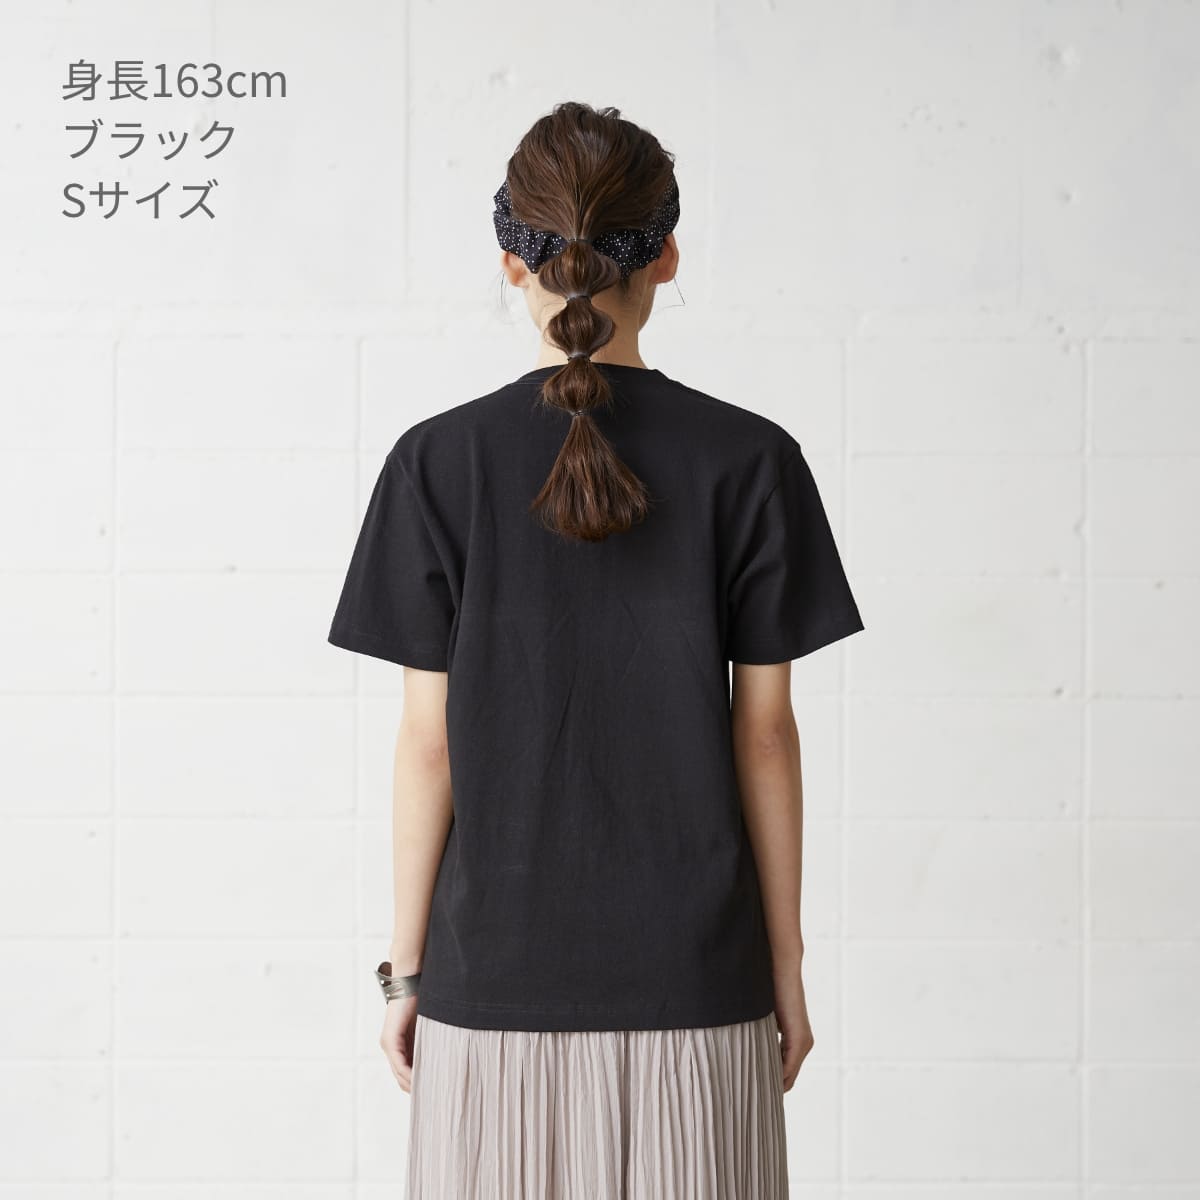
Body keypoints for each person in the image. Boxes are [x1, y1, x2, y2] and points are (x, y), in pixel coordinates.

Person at [327, 100, 865, 1200]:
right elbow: (765, 735)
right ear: (667, 256)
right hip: (700, 983)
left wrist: (406, 974)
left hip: (492, 986)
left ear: (511, 263)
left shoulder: (436, 463)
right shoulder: (753, 460)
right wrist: (786, 964)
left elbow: (428, 745)